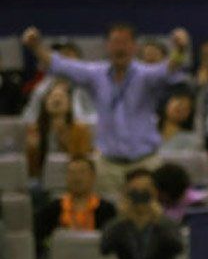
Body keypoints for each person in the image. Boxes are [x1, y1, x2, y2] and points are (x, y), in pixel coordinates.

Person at [22, 23, 190, 196]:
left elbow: (169, 68)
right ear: (107, 46)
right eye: (115, 42)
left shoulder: (146, 75)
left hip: (145, 164)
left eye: (125, 42)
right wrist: (36, 47)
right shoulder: (95, 75)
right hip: (108, 167)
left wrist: (180, 49)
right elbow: (60, 65)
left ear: (134, 47)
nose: (120, 48)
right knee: (108, 211)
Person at [34, 156, 117, 259]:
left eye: (82, 172)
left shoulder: (107, 210)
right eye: (72, 173)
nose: (77, 178)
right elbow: (39, 242)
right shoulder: (51, 210)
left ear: (93, 177)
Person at [101, 168, 184, 259]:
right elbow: (105, 248)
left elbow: (177, 247)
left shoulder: (166, 223)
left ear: (155, 192)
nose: (140, 196)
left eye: (145, 191)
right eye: (134, 192)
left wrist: (159, 219)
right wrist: (122, 218)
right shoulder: (119, 224)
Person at [26, 80, 93, 177]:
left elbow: (83, 161)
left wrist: (62, 134)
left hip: (72, 176)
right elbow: (30, 168)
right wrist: (32, 149)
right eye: (52, 96)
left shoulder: (80, 130)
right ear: (45, 102)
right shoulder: (34, 130)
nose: (56, 100)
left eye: (61, 97)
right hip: (42, 177)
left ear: (69, 104)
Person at [22, 42, 97, 124]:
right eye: (64, 59)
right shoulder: (42, 88)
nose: (67, 65)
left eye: (71, 62)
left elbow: (96, 115)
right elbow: (29, 116)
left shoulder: (86, 87)